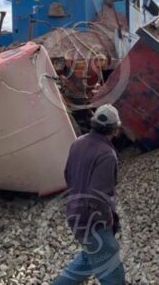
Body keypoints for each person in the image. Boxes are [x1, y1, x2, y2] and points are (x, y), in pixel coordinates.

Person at [52, 104, 125, 285]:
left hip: (75, 215)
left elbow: (68, 175)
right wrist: (108, 223)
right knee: (112, 273)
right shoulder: (107, 154)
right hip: (94, 222)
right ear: (115, 129)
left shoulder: (78, 142)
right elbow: (98, 197)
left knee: (87, 260)